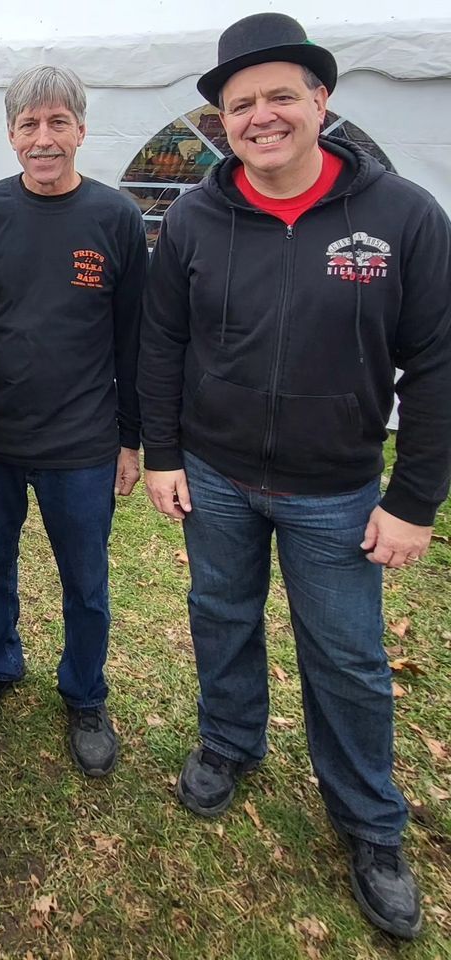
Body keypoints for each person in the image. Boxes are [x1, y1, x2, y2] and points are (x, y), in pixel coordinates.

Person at [138, 12, 451, 941]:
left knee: (348, 657)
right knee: (220, 616)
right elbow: (164, 342)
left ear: (322, 100)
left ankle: (368, 821)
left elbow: (436, 362)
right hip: (217, 476)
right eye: (242, 104)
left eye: (281, 96)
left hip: (340, 488)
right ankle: (229, 745)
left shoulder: (402, 217)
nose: (261, 116)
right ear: (221, 121)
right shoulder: (193, 216)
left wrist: (414, 499)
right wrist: (161, 453)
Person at [0, 65, 148, 777]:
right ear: (10, 135)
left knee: (85, 581)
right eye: (29, 125)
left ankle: (85, 694)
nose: (44, 137)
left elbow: (133, 338)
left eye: (58, 122)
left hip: (82, 444)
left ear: (82, 130)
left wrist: (131, 438)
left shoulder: (116, 218)